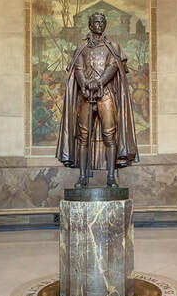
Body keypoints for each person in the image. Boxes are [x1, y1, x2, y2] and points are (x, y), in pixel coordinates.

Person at [56, 11, 138, 188]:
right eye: (96, 22)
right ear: (90, 25)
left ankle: (110, 177)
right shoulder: (82, 48)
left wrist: (99, 82)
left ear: (105, 24)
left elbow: (113, 66)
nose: (99, 24)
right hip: (85, 95)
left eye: (102, 21)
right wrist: (85, 84)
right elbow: (78, 68)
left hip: (105, 94)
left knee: (109, 134)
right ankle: (83, 177)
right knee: (83, 136)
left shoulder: (113, 47)